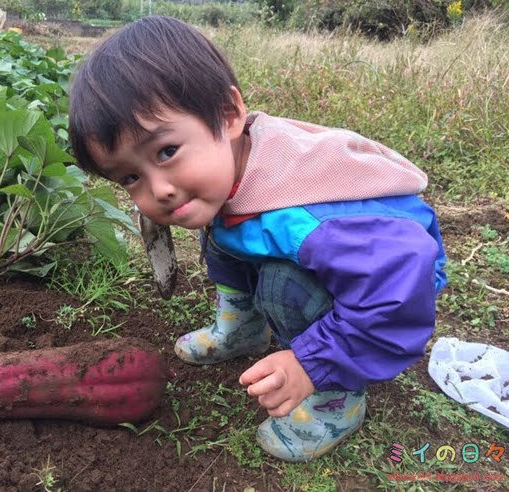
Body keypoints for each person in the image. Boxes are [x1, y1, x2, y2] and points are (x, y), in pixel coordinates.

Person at [68, 16, 447, 462]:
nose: (160, 190)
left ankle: (336, 397)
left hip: (386, 281)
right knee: (224, 234)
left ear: (229, 115)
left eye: (166, 152)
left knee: (283, 286)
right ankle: (245, 328)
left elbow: (398, 287)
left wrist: (311, 363)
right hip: (339, 256)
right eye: (132, 176)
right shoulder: (231, 165)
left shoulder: (309, 217)